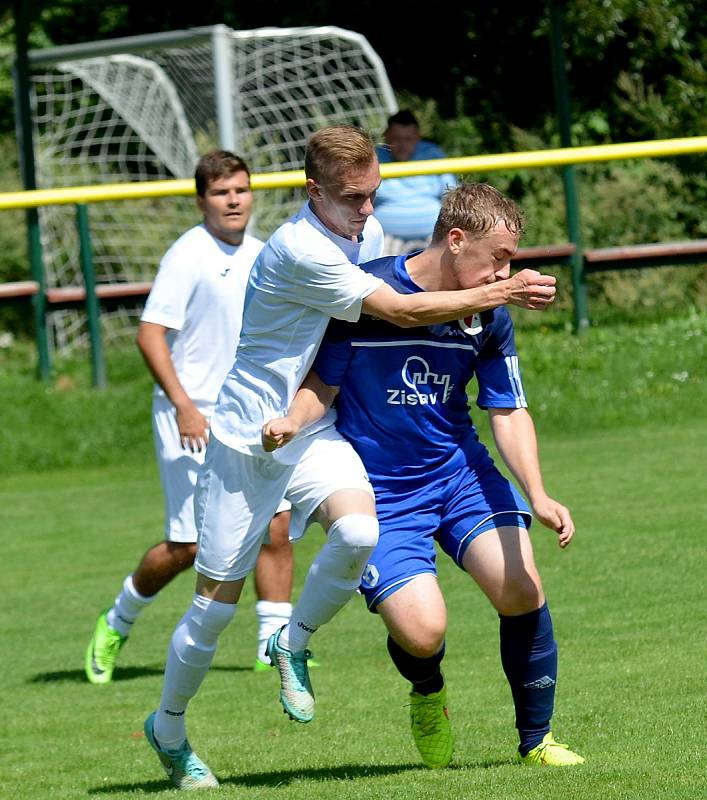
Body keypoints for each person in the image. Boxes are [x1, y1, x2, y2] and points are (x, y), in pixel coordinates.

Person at [143, 127, 558, 790]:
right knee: (214, 609)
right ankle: (167, 728)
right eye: (353, 199)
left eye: (373, 197)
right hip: (243, 438)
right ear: (314, 193)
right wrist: (499, 293)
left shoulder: (352, 236)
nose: (367, 213)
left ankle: (292, 642)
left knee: (359, 531)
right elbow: (395, 310)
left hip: (308, 431)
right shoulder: (301, 247)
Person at [263, 182, 585, 769]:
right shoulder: (367, 291)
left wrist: (538, 493)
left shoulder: (488, 311)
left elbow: (507, 408)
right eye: (499, 258)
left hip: (458, 472)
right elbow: (323, 385)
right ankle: (429, 690)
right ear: (456, 240)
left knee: (522, 588)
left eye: (510, 261)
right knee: (423, 631)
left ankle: (537, 741)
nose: (505, 272)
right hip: (381, 492)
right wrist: (292, 420)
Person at [84, 150, 297, 686]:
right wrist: (182, 404)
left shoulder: (264, 253)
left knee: (276, 525)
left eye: (241, 190)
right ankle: (116, 622)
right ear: (202, 200)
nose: (233, 200)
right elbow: (149, 334)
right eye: (222, 192)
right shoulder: (187, 255)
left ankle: (274, 647)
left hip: (252, 412)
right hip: (194, 414)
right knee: (189, 545)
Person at [374, 109, 457, 255]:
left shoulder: (433, 155)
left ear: (418, 137)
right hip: (387, 238)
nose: (402, 145)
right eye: (396, 139)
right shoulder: (373, 158)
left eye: (408, 139)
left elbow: (451, 196)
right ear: (386, 137)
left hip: (433, 235)